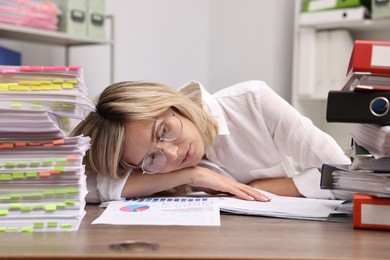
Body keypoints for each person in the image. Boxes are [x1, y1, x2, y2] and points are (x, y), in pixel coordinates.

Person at [71, 80, 351, 203]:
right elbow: (81, 188)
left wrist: (260, 188)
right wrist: (192, 173)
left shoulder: (253, 101)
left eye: (164, 131)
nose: (171, 153)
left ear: (174, 105)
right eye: (151, 159)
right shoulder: (154, 167)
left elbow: (341, 172)